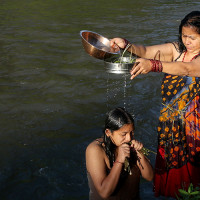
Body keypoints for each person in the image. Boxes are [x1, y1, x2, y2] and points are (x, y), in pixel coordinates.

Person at [110, 11, 200, 198]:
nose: (187, 41)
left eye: (192, 37)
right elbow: (145, 51)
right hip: (170, 125)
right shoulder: (177, 50)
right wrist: (125, 45)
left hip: (195, 128)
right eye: (184, 36)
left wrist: (155, 66)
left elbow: (187, 69)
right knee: (176, 181)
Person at [85, 107, 154, 200]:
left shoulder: (130, 145)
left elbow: (150, 177)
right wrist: (119, 161)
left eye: (132, 132)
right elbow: (104, 193)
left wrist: (139, 153)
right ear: (108, 132)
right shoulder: (95, 150)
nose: (129, 138)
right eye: (123, 134)